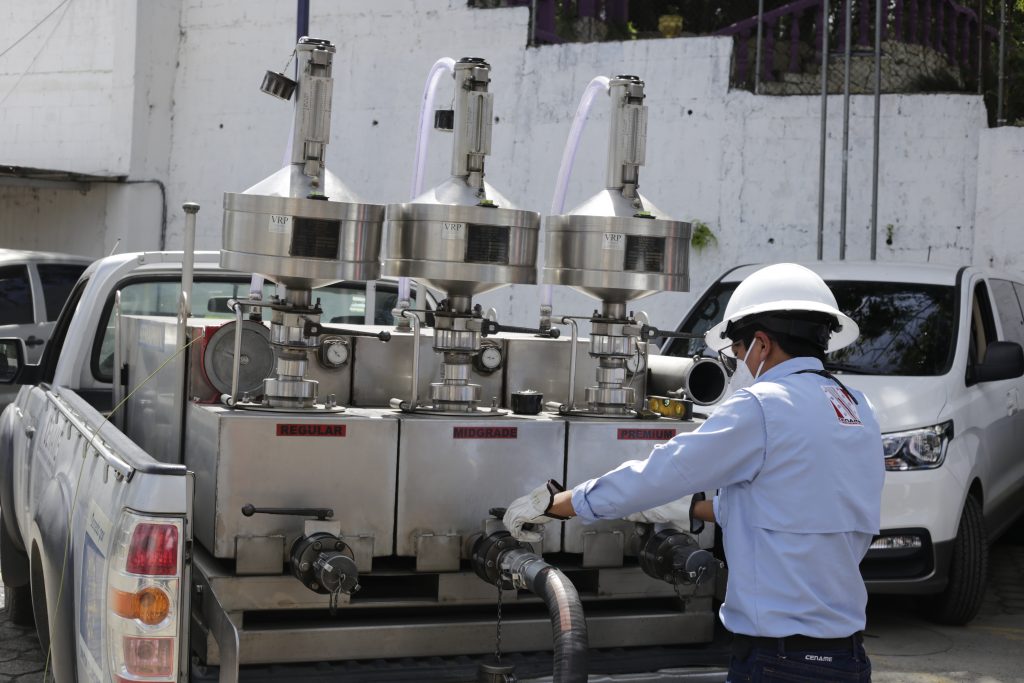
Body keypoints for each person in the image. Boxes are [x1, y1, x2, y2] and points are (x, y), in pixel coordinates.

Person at [504, 263, 884, 682]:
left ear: (761, 344)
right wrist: (691, 509)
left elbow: (664, 471)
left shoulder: (763, 405)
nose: (736, 364)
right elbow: (800, 508)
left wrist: (562, 504)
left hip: (780, 661)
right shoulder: (856, 408)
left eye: (736, 353)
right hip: (846, 658)